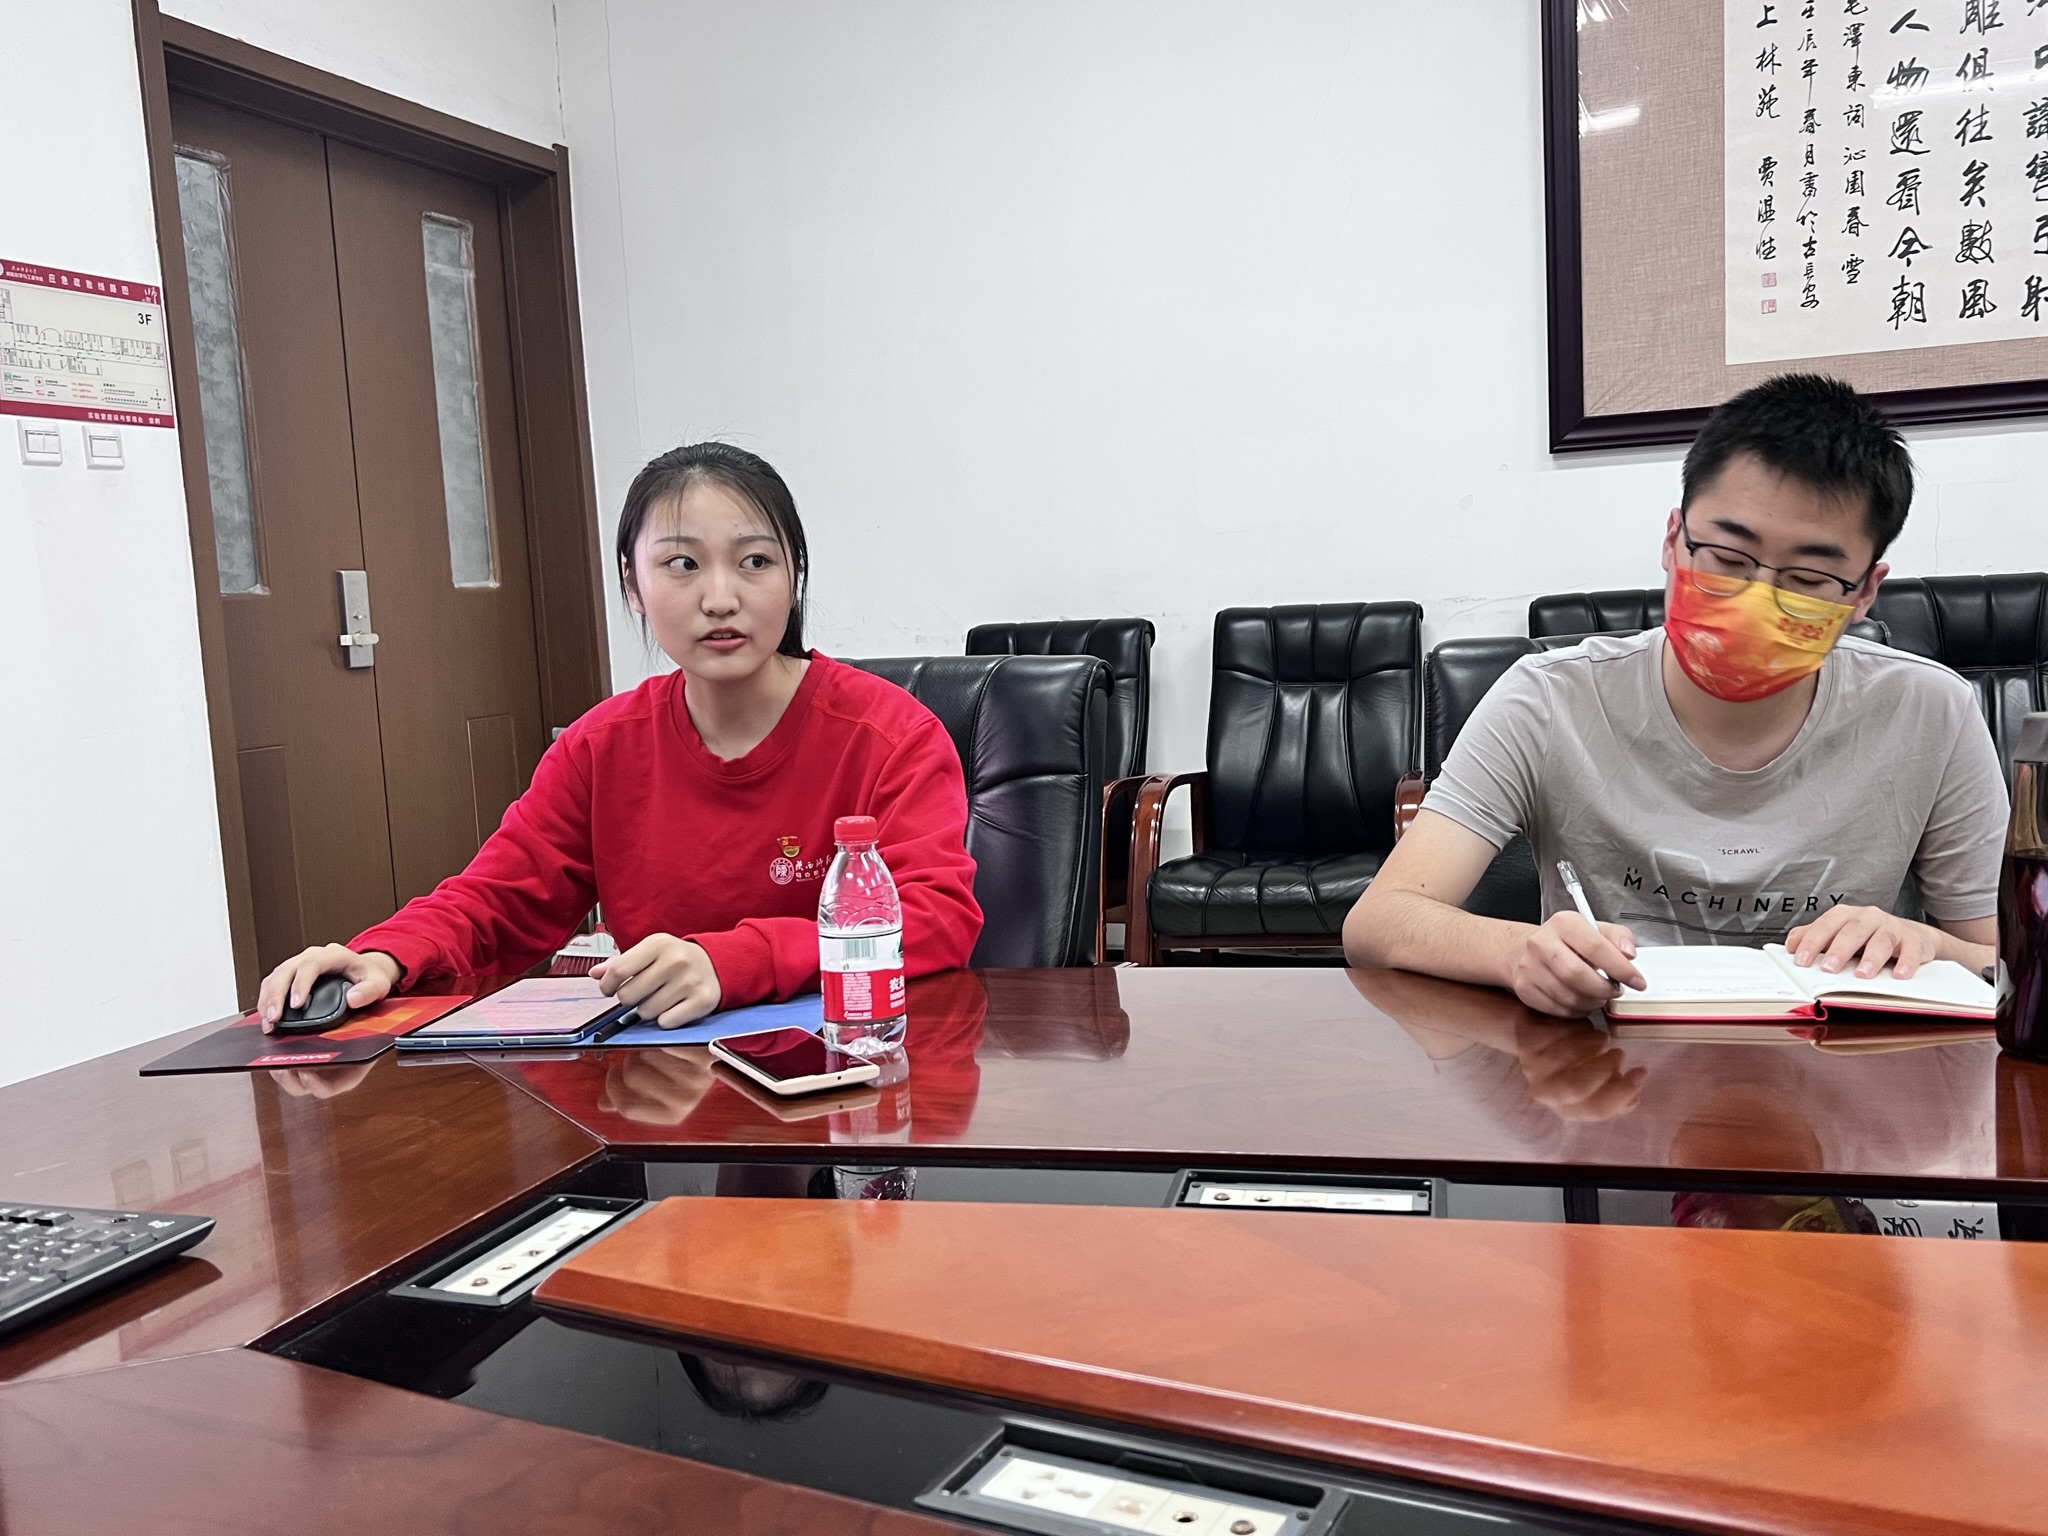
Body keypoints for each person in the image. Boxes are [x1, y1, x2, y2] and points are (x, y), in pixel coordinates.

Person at [1344, 373, 2007, 1017]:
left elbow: (2004, 954)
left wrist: (1930, 944)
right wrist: (1518, 952)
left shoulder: (1931, 713)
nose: (1755, 602)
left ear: (1864, 591)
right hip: (1605, 1062)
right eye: (1727, 558)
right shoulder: (1547, 700)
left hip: (1845, 1065)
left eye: (1808, 578)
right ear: (1673, 540)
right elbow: (1378, 922)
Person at [257, 442, 982, 1030]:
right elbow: (497, 901)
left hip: (859, 1071)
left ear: (794, 578)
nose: (720, 597)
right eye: (681, 565)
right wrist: (385, 957)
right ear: (633, 586)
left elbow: (935, 916)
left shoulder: (890, 734)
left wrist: (735, 961)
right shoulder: (601, 747)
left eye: (755, 562)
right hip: (667, 1092)